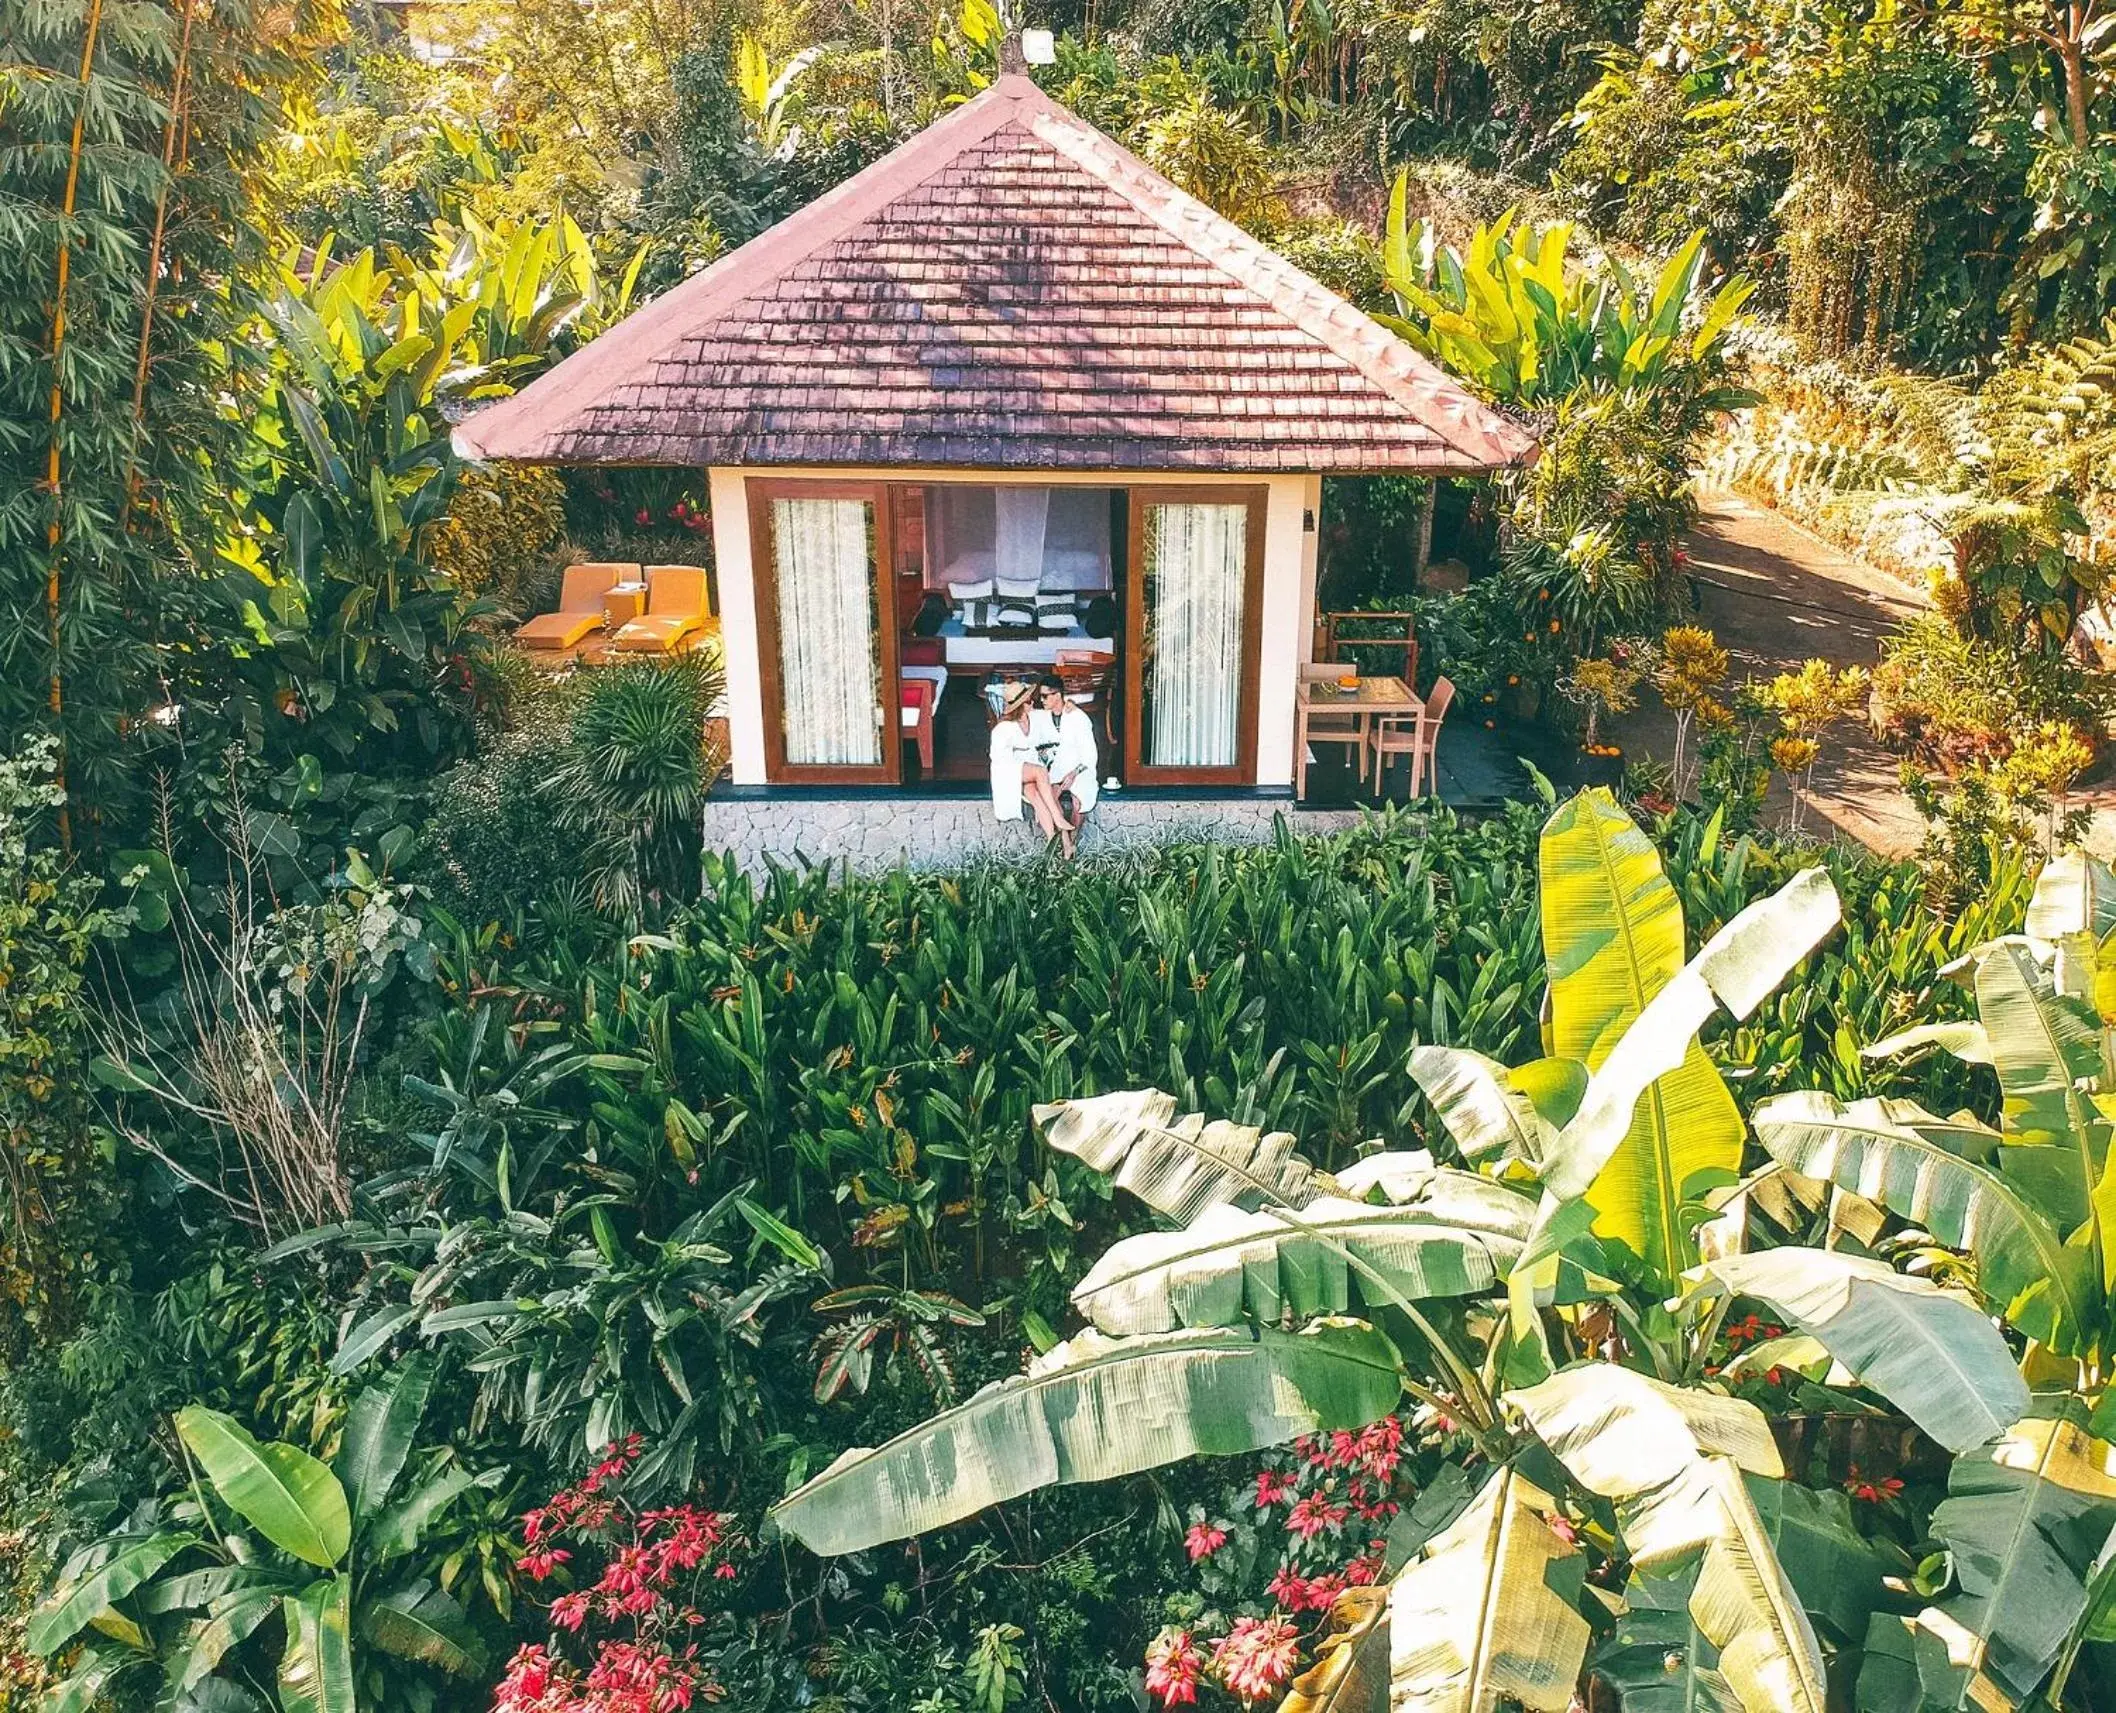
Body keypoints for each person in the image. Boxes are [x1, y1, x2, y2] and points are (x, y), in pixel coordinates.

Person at [989, 682, 1075, 858]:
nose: (1032, 703)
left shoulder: (1034, 717)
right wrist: (1022, 767)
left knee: (1037, 794)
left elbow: (1056, 709)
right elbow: (998, 759)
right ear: (1019, 706)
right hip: (1008, 769)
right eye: (1028, 701)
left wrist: (1070, 703)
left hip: (1030, 768)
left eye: (1031, 699)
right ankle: (1058, 819)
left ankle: (1060, 843)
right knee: (1041, 772)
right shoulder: (1002, 729)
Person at [1037, 674, 1099, 832]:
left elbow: (1089, 755)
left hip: (1079, 768)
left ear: (1057, 695)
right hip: (1055, 769)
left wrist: (1073, 774)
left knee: (1079, 800)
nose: (1042, 700)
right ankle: (1064, 841)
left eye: (1045, 696)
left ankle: (1072, 840)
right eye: (1040, 696)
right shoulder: (1042, 717)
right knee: (1049, 796)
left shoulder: (1078, 718)